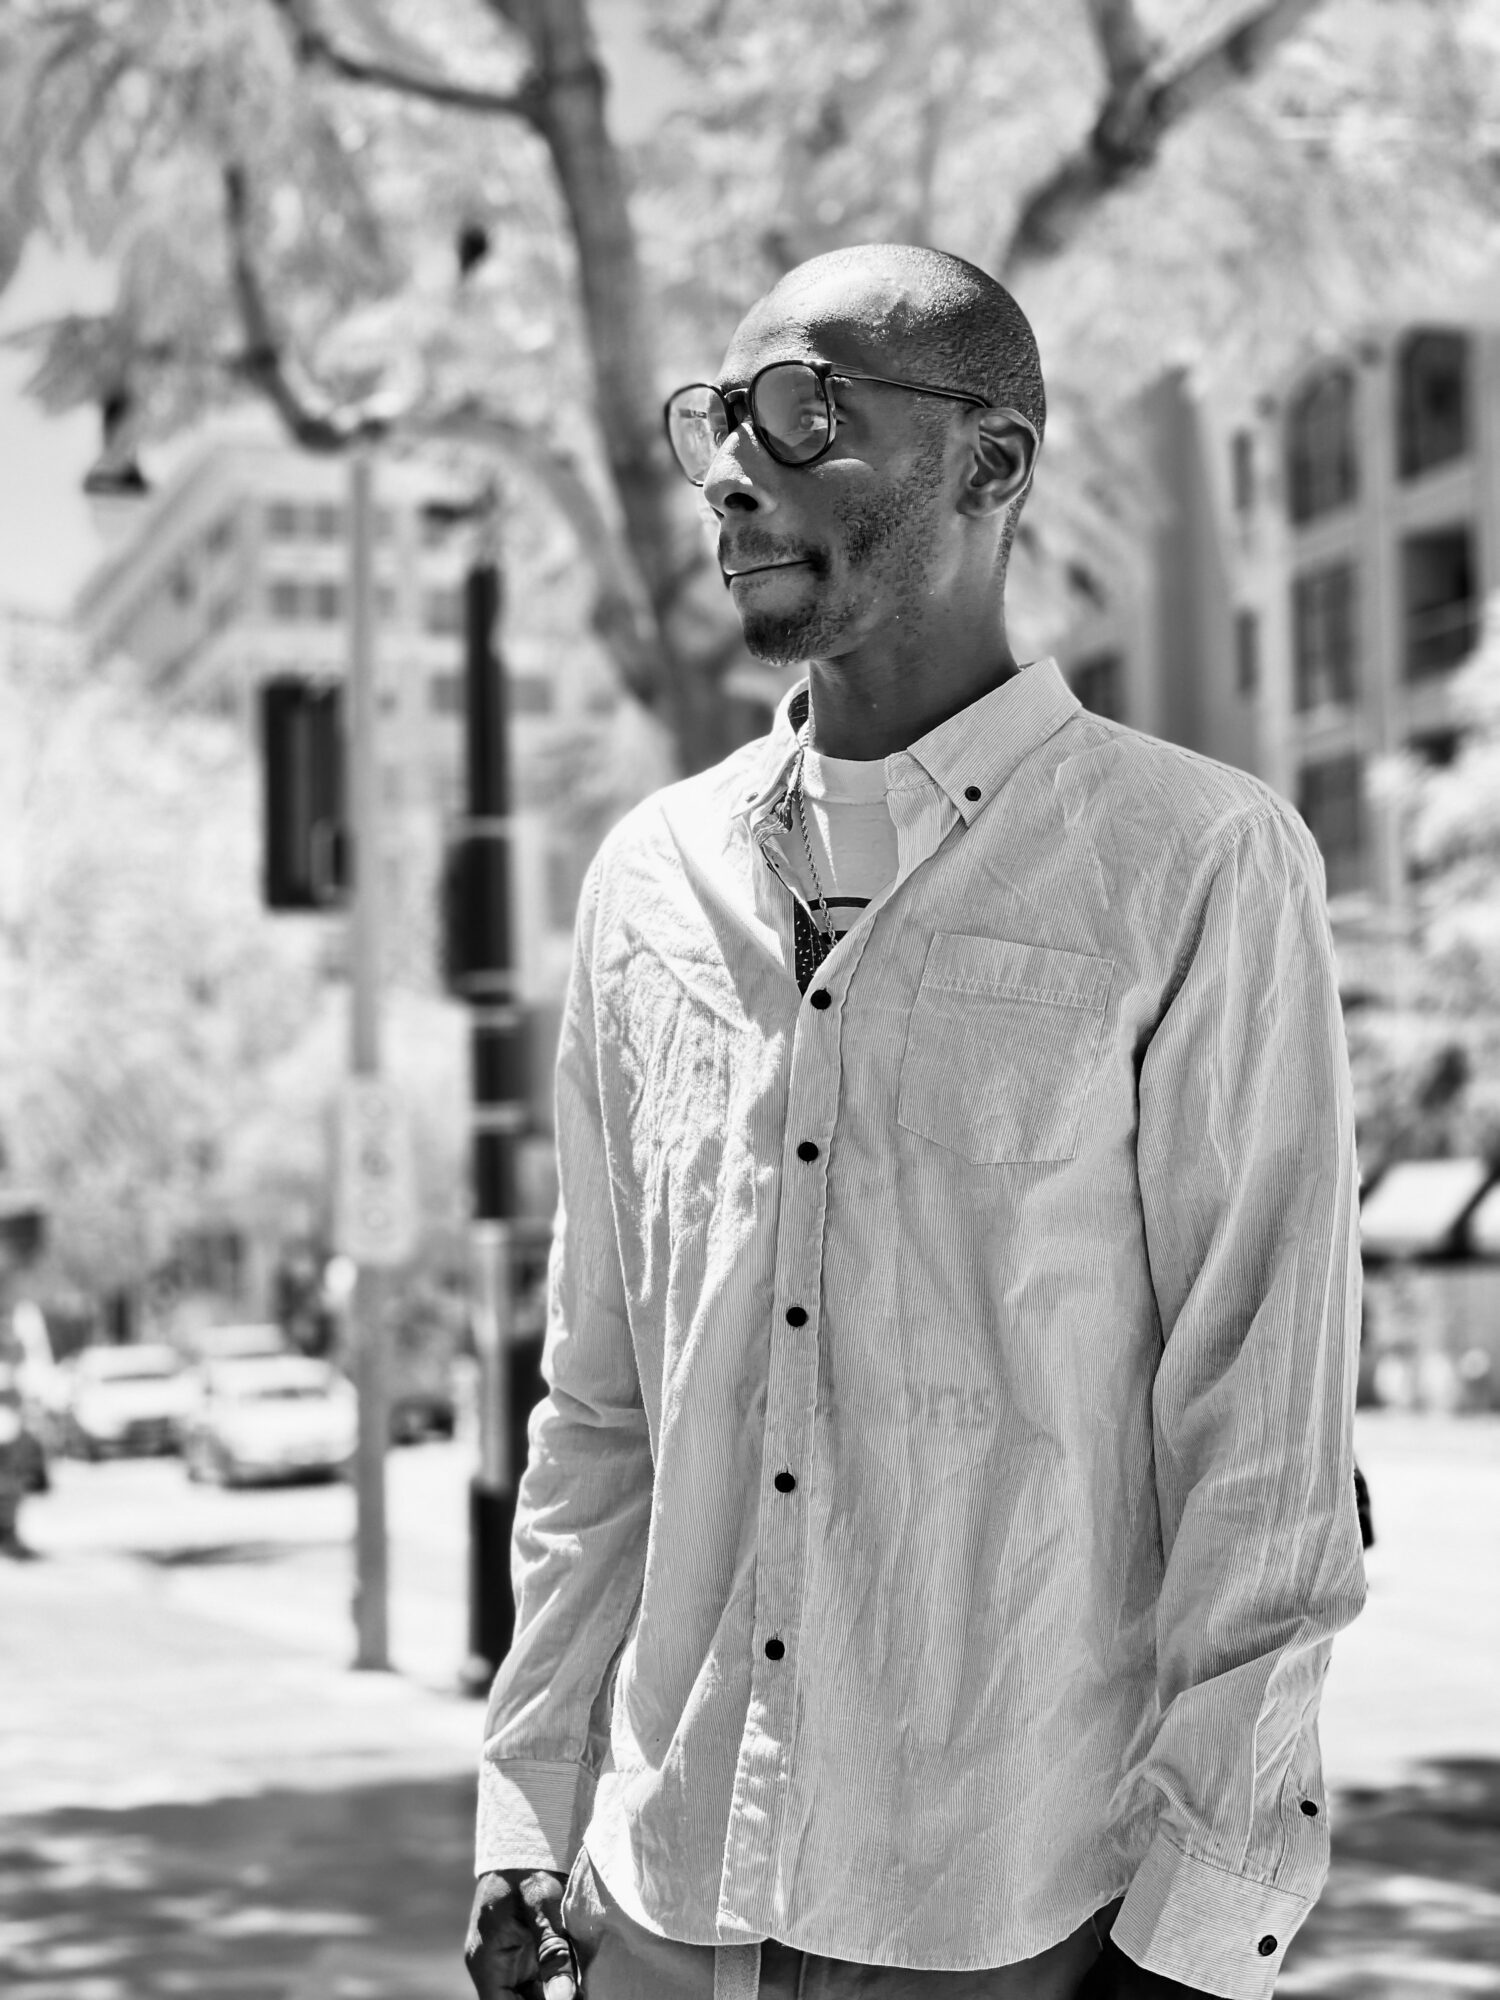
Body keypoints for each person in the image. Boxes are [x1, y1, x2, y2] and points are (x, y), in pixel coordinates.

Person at [464, 244, 1367, 2000]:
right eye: (717, 423)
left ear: (991, 463)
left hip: (1015, 1918)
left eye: (802, 413)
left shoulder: (1196, 864)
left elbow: (1263, 1443)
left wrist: (1205, 1933)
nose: (734, 472)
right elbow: (603, 1404)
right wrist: (530, 1800)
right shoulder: (645, 882)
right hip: (657, 1905)